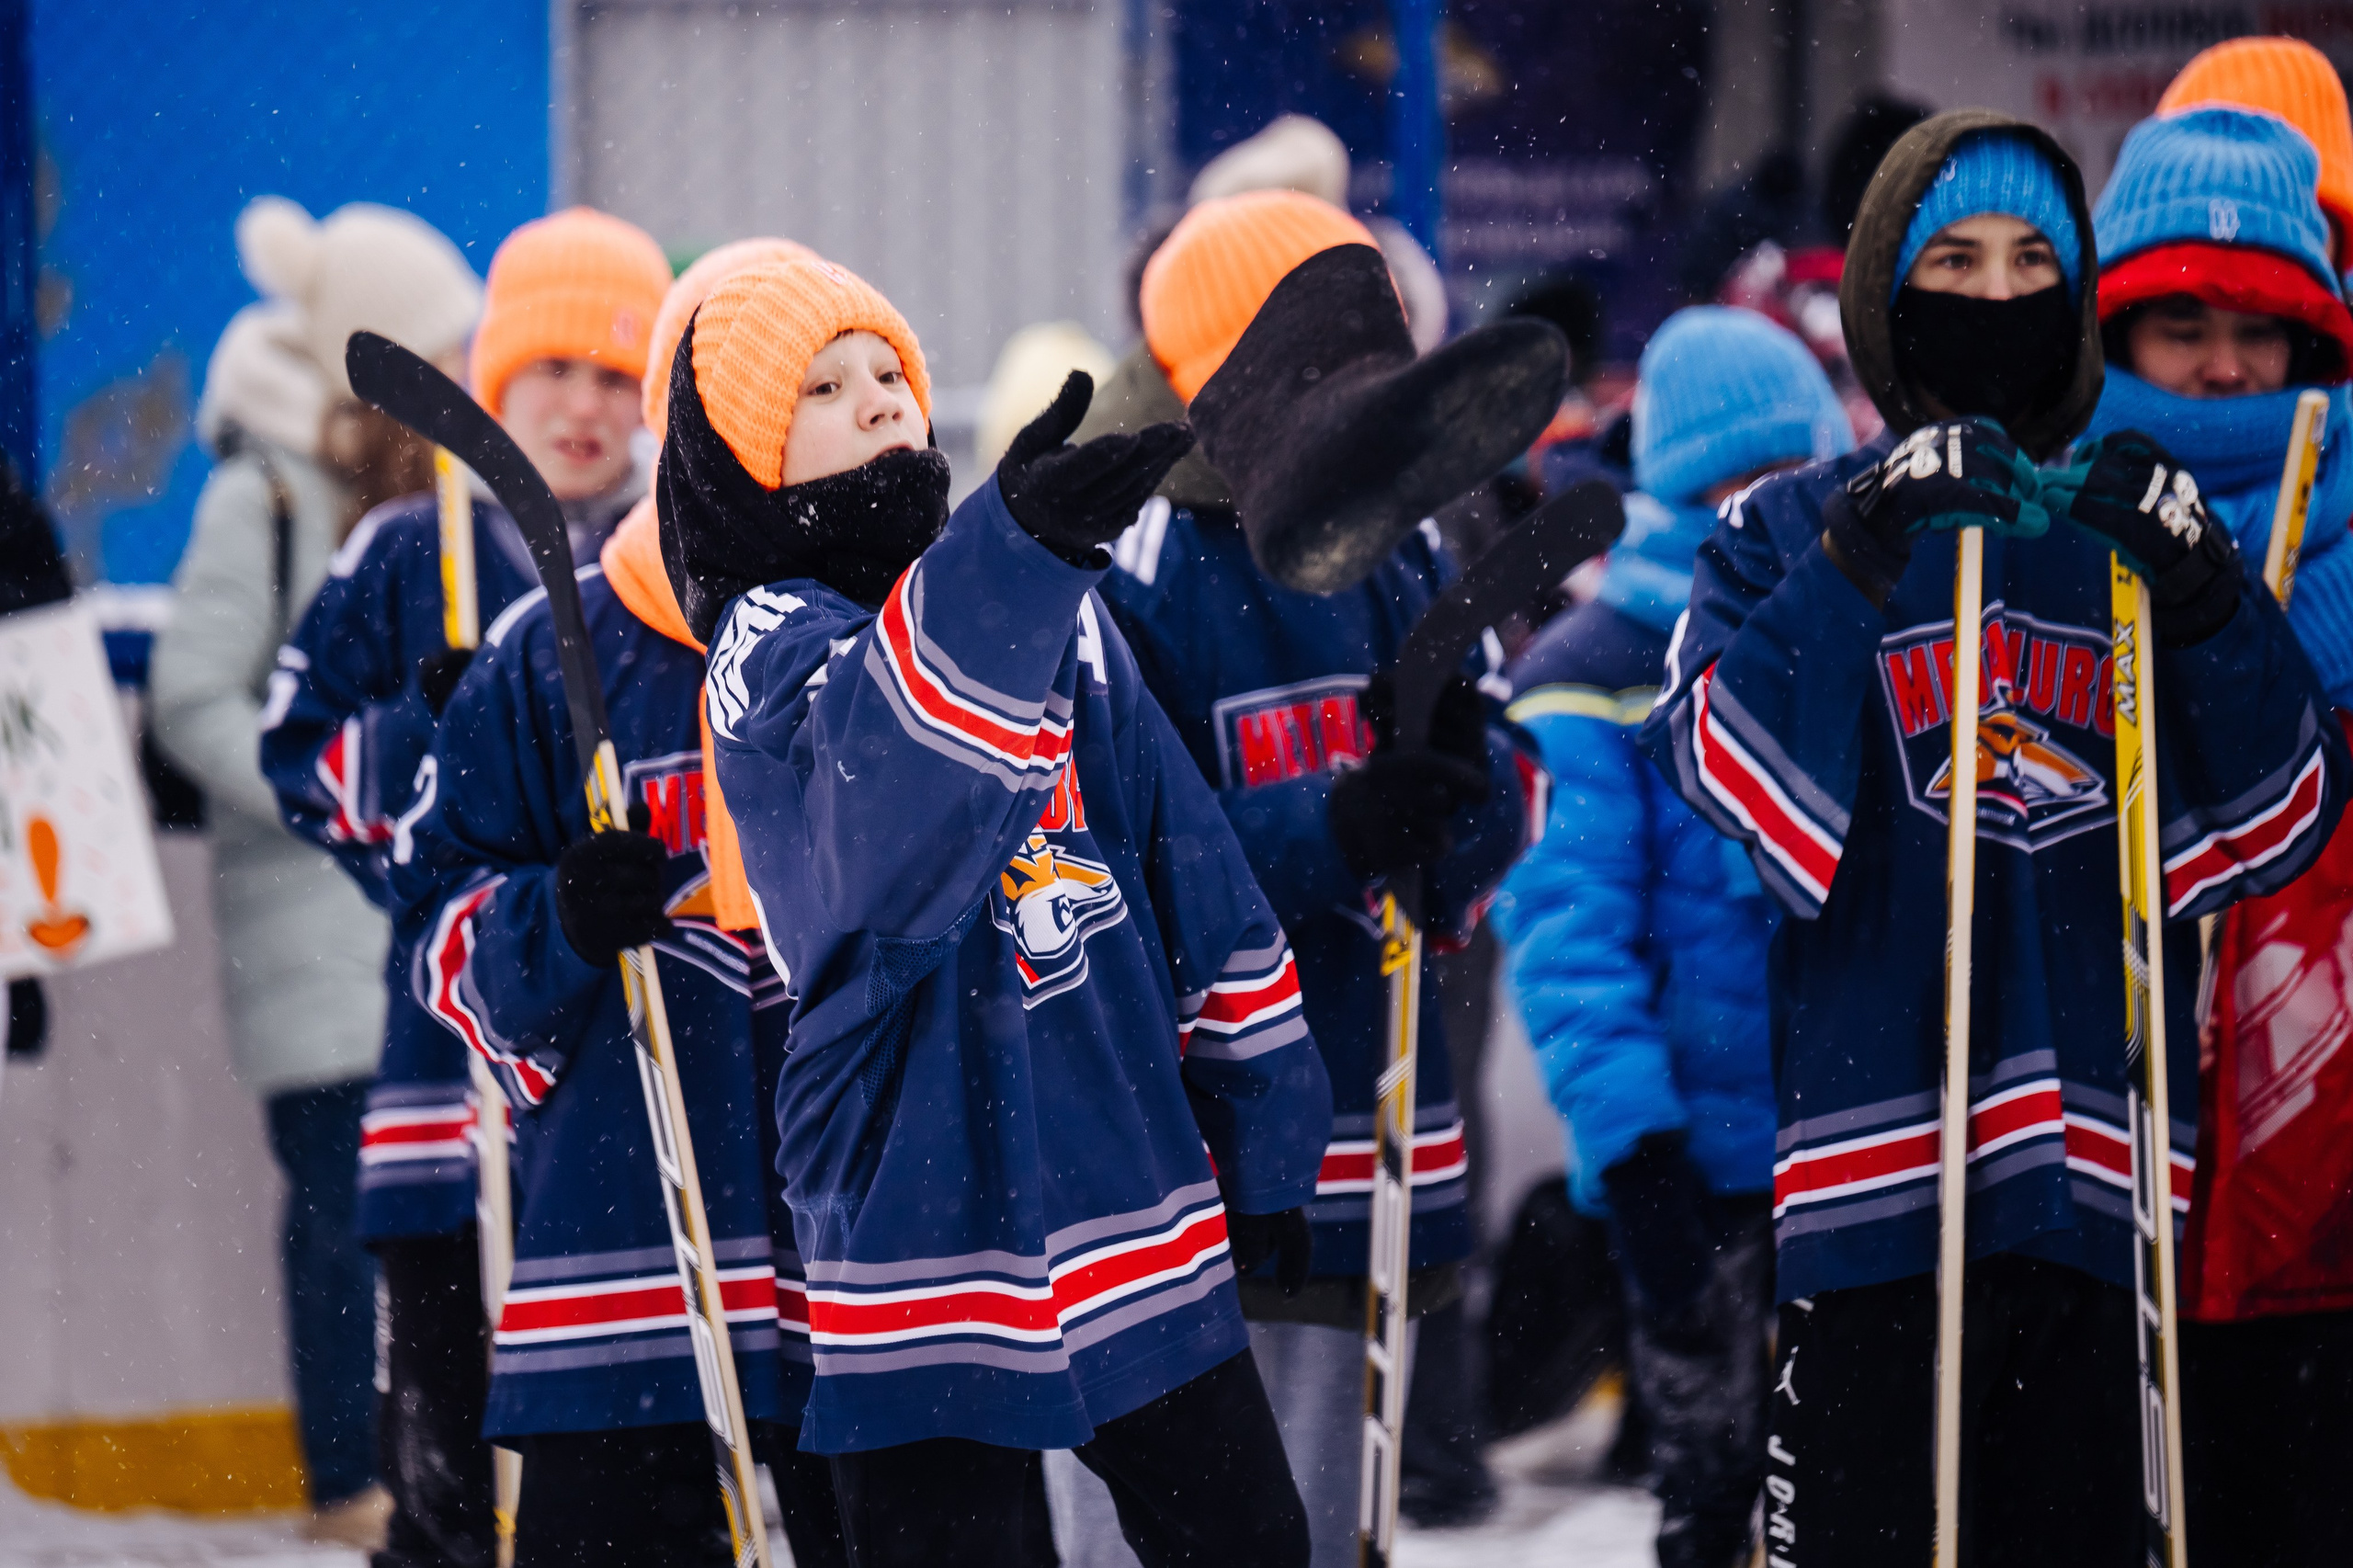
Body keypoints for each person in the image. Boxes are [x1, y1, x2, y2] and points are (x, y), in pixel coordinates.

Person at [1638, 111, 2350, 1563]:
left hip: (2096, 1187)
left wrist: (2210, 600)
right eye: (1954, 259)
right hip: (1868, 1187)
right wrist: (1858, 553)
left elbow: (2280, 805)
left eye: (2034, 259)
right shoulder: (1786, 526)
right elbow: (1722, 770)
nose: (1998, 292)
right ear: (1885, 287)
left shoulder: (2125, 534)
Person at [658, 256, 1332, 1568]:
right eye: (820, 388)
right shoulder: (762, 646)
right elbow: (888, 837)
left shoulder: (1053, 607)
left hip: (1122, 1169)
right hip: (912, 1203)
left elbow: (1191, 866)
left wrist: (1264, 1121)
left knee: (1251, 1538)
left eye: (891, 373)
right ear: (741, 456)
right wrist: (1011, 561)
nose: (877, 401)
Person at [1089, 189, 1548, 1566]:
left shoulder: (1404, 548)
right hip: (1185, 1157)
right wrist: (1330, 825)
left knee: (1330, 1522)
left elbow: (1505, 791)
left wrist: (1462, 788)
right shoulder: (1127, 566)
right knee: (1164, 1528)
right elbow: (1105, 862)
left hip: (1366, 1122)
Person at [386, 241, 848, 1568]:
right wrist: (562, 921)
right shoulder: (554, 647)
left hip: (870, 1274)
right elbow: (442, 930)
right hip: (626, 1266)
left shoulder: (896, 645)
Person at [260, 205, 671, 1568]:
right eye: (556, 367)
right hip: (448, 1088)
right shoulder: (405, 551)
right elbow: (298, 752)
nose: (585, 404)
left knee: (617, 1484)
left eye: (617, 375)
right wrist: (420, 743)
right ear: (495, 373)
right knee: (446, 1476)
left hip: (631, 1102)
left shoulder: (669, 567)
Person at [1495, 305, 1851, 1568]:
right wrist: (1637, 1154)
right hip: (1697, 1166)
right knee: (1714, 1493)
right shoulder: (1592, 667)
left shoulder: (1863, 626)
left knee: (1856, 1490)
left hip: (1860, 1142)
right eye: (1737, 485)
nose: (1774, 508)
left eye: (1798, 473)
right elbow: (1569, 939)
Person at [152, 194, 481, 1550]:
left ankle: (427, 1468)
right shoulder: (267, 495)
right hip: (306, 917)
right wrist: (324, 791)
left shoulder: (432, 493)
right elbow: (190, 696)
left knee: (426, 1202)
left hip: (409, 910)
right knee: (345, 1204)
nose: (462, 373)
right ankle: (348, 1478)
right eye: (439, 349)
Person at [2085, 99, 2353, 1565]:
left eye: (2262, 329)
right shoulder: (2045, 531)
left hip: (2324, 1200)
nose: (2227, 366)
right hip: (2099, 1192)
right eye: (2182, 324)